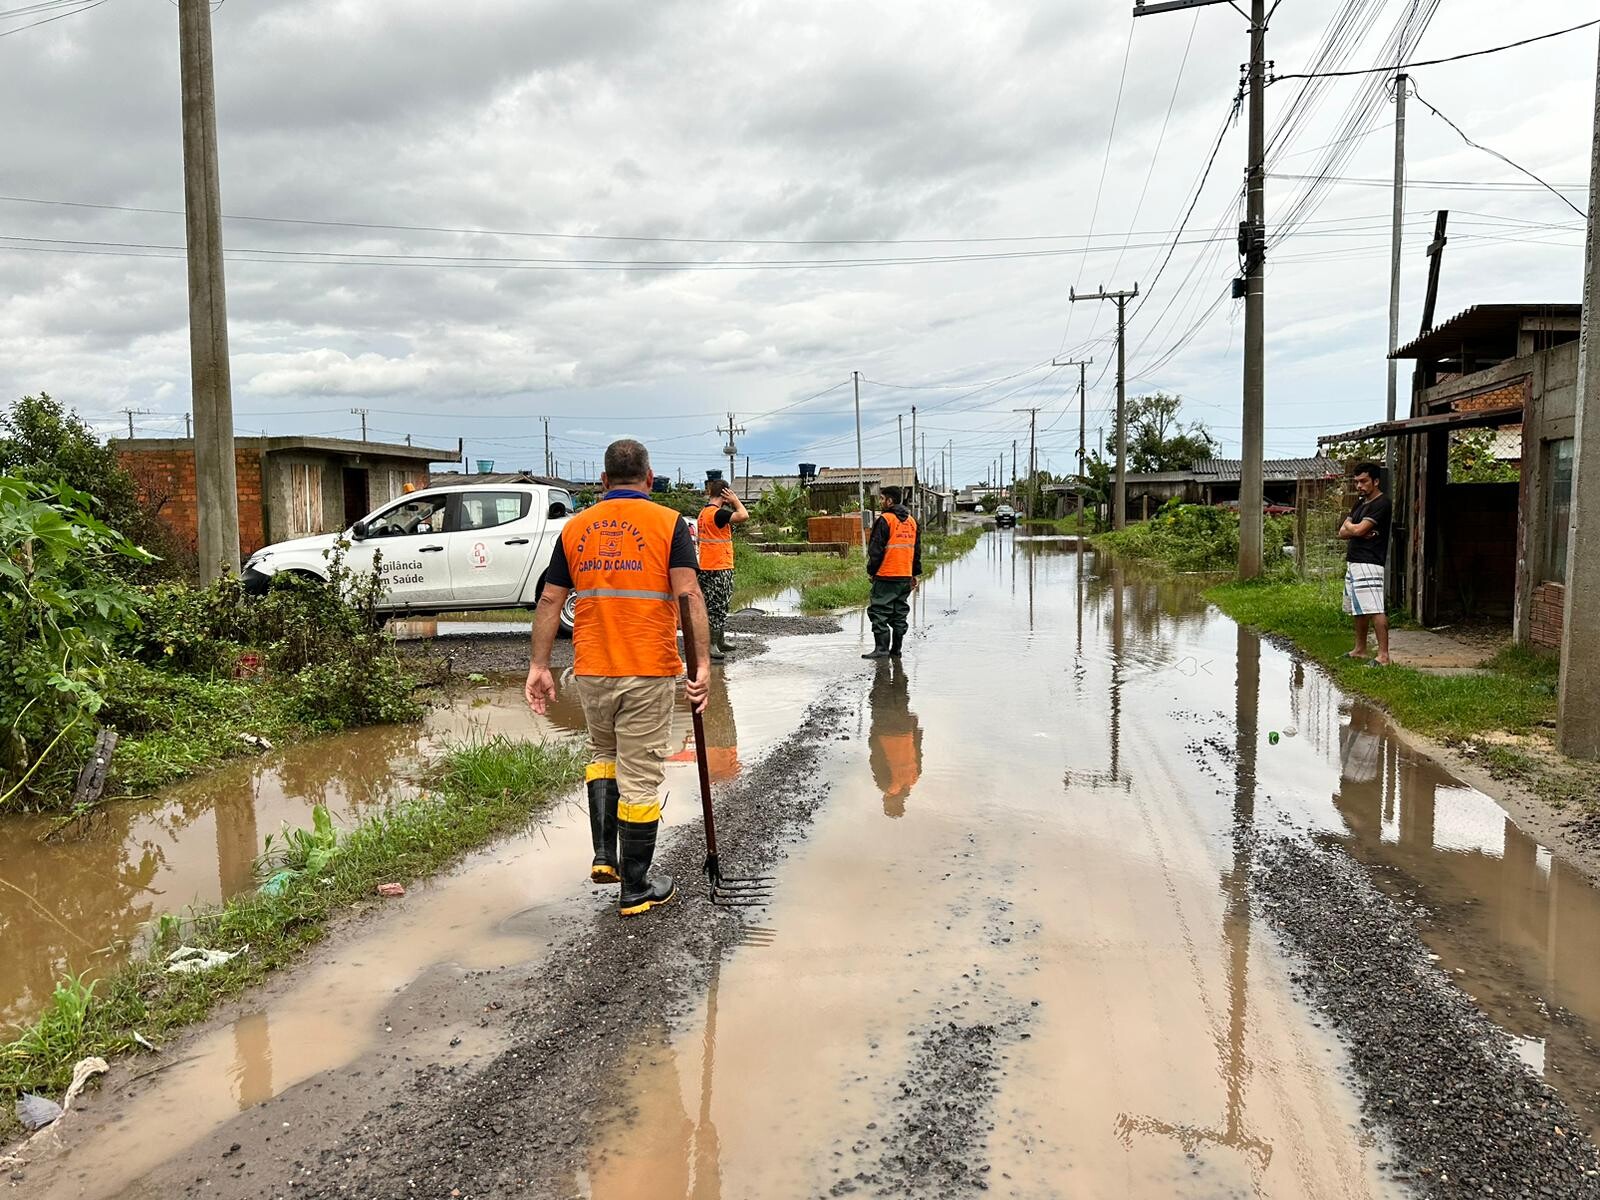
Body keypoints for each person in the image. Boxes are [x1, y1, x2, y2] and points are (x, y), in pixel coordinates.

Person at [524, 438, 711, 918]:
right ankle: (636, 887)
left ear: (603, 481)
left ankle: (605, 856)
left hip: (591, 669)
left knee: (603, 755)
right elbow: (688, 594)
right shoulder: (668, 523)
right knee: (641, 777)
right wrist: (703, 666)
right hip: (647, 668)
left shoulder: (576, 527)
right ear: (650, 479)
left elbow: (549, 600)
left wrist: (539, 666)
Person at [1338, 462, 1393, 666]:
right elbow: (1342, 531)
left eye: (1363, 481)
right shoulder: (1360, 503)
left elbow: (1357, 530)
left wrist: (1355, 529)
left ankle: (1383, 655)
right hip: (1354, 561)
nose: (1359, 486)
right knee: (1358, 608)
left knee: (1374, 608)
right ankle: (1360, 649)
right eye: (1356, 482)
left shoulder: (1382, 503)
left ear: (1375, 481)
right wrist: (1356, 529)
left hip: (1370, 561)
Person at [862, 486, 921, 659]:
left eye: (882, 499)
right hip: (904, 576)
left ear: (890, 501)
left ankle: (881, 650)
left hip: (886, 575)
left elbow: (876, 550)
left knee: (879, 611)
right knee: (899, 613)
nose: (880, 502)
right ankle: (896, 650)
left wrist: (872, 571)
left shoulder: (885, 520)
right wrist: (914, 574)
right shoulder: (912, 521)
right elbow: (916, 551)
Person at [696, 479, 748, 661]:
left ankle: (720, 640)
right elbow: (743, 515)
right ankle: (712, 645)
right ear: (725, 494)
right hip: (719, 567)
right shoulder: (718, 514)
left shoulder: (703, 513)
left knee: (714, 604)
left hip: (706, 565)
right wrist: (735, 500)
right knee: (718, 605)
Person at [868, 659, 922, 818]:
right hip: (885, 729)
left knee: (900, 696)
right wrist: (873, 736)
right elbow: (876, 757)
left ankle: (896, 662)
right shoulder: (886, 785)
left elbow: (918, 749)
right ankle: (882, 664)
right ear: (888, 802)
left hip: (905, 727)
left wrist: (915, 727)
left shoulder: (913, 780)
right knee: (880, 693)